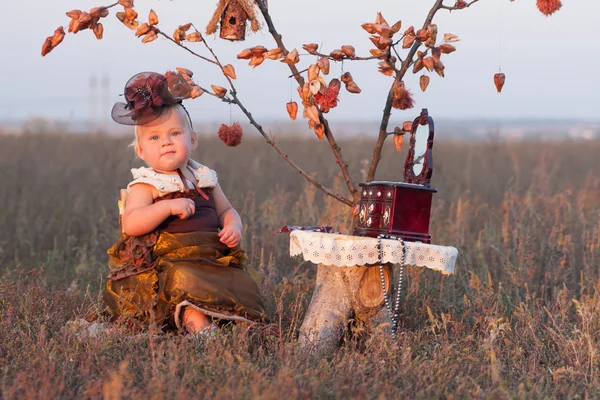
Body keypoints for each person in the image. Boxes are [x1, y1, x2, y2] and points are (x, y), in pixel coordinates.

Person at [103, 71, 267, 335]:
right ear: (141, 151)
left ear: (192, 140)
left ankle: (236, 322)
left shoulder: (204, 178)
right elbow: (131, 224)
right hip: (169, 265)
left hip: (212, 259)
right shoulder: (147, 183)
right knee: (185, 280)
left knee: (242, 282)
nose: (166, 141)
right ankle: (202, 330)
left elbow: (226, 209)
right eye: (154, 138)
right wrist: (166, 207)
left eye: (175, 133)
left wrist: (233, 226)